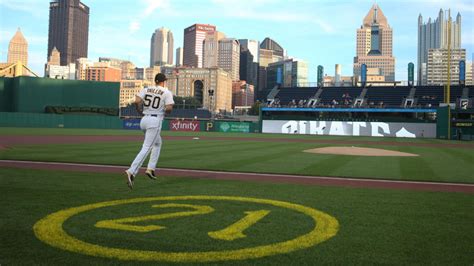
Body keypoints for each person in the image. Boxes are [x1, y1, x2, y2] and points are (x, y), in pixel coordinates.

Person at [125, 73, 174, 189]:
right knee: (147, 147)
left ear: (155, 81)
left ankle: (150, 169)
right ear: (164, 81)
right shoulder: (166, 92)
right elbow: (169, 108)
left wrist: (138, 110)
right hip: (154, 121)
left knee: (157, 143)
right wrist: (164, 111)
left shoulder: (146, 89)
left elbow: (137, 101)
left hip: (144, 120)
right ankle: (132, 171)